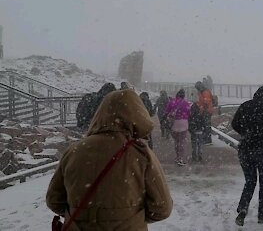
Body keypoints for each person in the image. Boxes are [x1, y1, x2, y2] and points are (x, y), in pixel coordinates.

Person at [46, 89, 173, 230]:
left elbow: (54, 200)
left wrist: (84, 215)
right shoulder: (140, 154)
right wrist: (128, 217)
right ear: (137, 115)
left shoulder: (74, 151)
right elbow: (162, 208)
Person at [231, 84, 263, 226]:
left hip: (246, 150)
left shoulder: (246, 106)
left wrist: (247, 133)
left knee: (250, 181)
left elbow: (234, 124)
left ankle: (243, 210)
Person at [164, 89, 191, 166]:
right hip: (183, 123)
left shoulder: (172, 102)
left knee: (176, 141)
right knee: (182, 142)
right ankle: (180, 158)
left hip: (174, 123)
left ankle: (177, 156)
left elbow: (166, 111)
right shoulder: (186, 103)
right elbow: (189, 113)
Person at [195, 81, 214, 145]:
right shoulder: (203, 91)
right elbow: (202, 101)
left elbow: (206, 102)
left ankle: (208, 140)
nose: (197, 90)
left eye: (197, 88)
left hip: (207, 111)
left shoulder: (205, 92)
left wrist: (202, 110)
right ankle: (205, 138)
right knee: (205, 125)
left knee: (207, 125)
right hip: (205, 111)